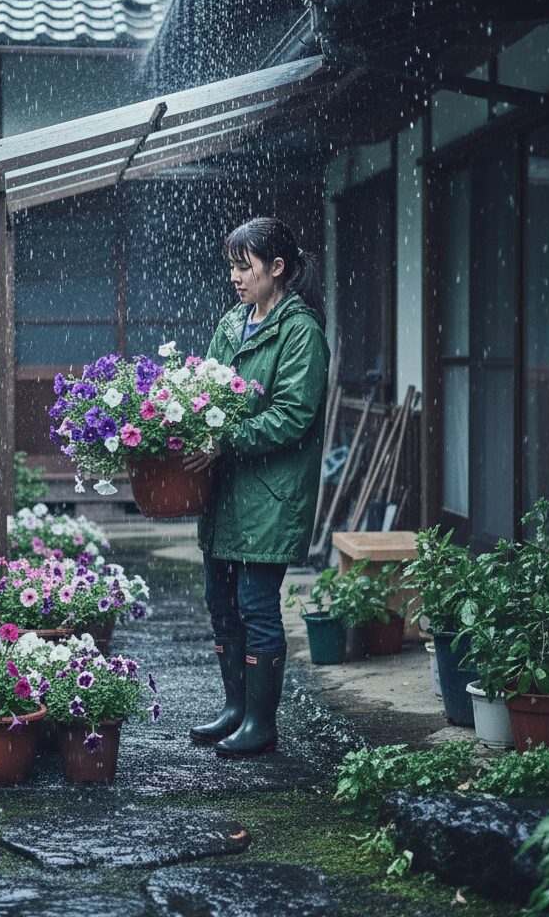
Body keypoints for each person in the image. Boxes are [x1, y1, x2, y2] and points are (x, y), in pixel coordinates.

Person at [184, 216, 330, 758]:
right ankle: (235, 709)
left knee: (257, 605)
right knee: (220, 601)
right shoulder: (233, 323)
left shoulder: (301, 331)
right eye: (232, 266)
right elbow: (203, 391)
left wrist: (226, 438)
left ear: (278, 268)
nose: (236, 277)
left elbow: (294, 415)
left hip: (270, 493)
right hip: (224, 492)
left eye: (245, 267)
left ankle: (261, 724)